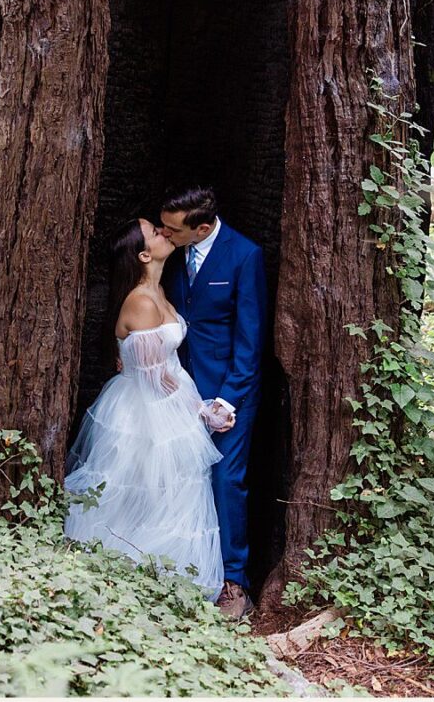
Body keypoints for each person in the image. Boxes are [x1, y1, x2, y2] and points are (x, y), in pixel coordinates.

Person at [62, 218, 225, 600]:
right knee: (145, 492)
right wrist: (201, 411)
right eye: (156, 232)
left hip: (166, 398)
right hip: (146, 409)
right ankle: (130, 576)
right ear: (144, 254)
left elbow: (165, 368)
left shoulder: (158, 290)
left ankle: (160, 579)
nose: (165, 233)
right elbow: (157, 379)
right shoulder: (141, 300)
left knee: (169, 494)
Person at [158, 184, 266, 620]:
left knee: (225, 481)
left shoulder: (244, 256)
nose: (164, 235)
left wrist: (228, 399)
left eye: (173, 230)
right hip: (177, 388)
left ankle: (233, 581)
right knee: (180, 477)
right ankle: (184, 570)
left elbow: (250, 337)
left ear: (202, 228)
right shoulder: (173, 254)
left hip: (227, 391)